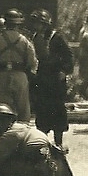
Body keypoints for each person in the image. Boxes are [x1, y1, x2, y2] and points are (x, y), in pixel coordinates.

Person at [27, 8, 74, 151]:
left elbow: (69, 56)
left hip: (55, 78)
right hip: (42, 78)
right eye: (35, 23)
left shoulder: (57, 37)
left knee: (57, 109)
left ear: (46, 24)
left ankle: (58, 142)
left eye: (39, 24)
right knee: (42, 110)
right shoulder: (35, 38)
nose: (37, 26)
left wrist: (64, 71)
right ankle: (42, 141)